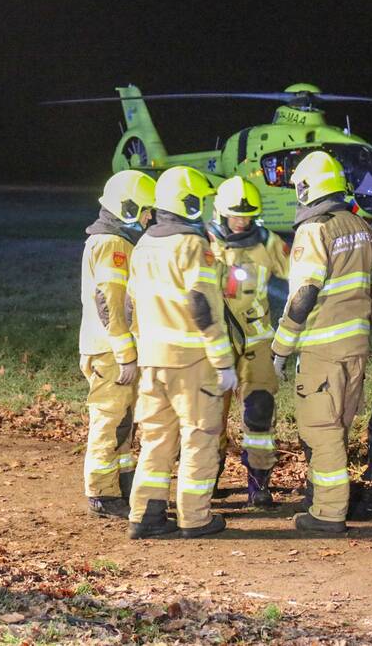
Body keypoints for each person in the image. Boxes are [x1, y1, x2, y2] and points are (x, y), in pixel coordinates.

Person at [272, 151, 372, 534]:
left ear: (306, 188)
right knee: (339, 427)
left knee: (320, 431)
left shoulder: (314, 230)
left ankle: (328, 513)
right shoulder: (362, 226)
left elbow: (304, 293)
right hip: (356, 346)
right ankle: (326, 501)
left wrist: (281, 348)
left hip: (322, 348)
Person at [126, 166, 236, 539]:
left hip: (151, 360)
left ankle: (146, 516)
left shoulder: (143, 245)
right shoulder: (193, 246)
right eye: (200, 201)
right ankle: (195, 517)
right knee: (199, 437)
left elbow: (129, 307)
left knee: (156, 440)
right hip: (191, 362)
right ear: (188, 202)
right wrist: (223, 363)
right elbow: (201, 307)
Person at [207, 176, 290, 506]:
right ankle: (205, 479)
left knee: (259, 413)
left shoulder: (268, 243)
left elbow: (300, 277)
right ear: (219, 213)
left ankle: (259, 484)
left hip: (256, 342)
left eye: (247, 216)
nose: (241, 222)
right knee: (210, 417)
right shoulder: (204, 243)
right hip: (217, 344)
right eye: (234, 216)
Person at [79, 170, 155, 518]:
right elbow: (109, 302)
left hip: (110, 348)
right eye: (146, 210)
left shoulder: (112, 241)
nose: (149, 217)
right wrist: (126, 355)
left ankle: (121, 480)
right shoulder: (113, 244)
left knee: (123, 421)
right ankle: (102, 492)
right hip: (111, 352)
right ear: (128, 208)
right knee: (109, 420)